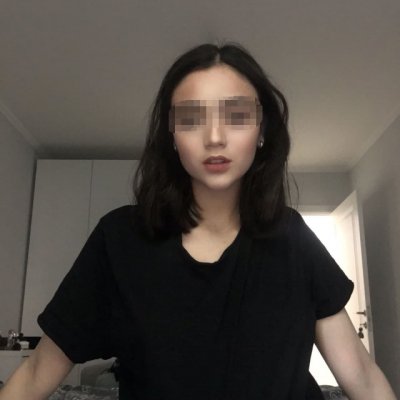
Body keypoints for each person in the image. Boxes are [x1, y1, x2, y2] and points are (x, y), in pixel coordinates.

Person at [0, 42, 396, 400]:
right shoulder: (118, 239)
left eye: (236, 116)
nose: (215, 137)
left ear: (262, 131)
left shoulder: (292, 237)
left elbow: (361, 376)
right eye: (191, 119)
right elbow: (35, 375)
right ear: (172, 135)